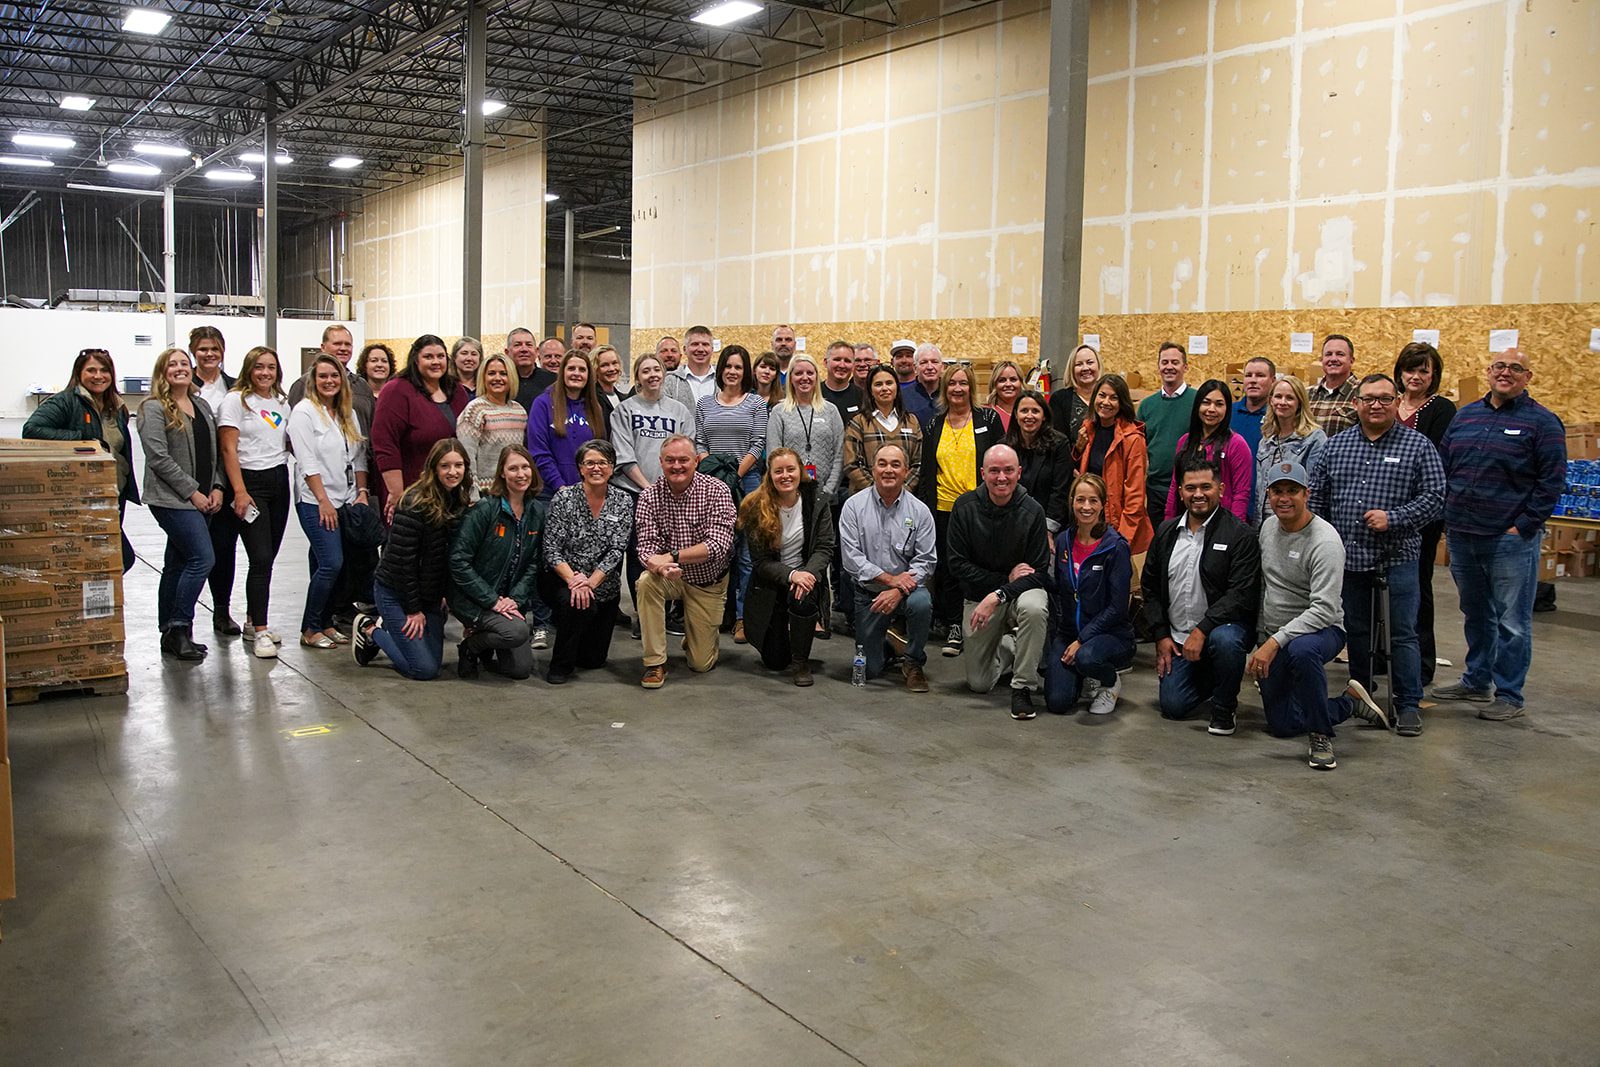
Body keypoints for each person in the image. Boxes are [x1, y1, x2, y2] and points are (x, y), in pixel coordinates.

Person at [1309, 373, 1445, 738]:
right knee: (1357, 630)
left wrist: (1395, 518)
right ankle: (1361, 695)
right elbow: (1317, 499)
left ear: (1395, 402)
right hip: (1349, 558)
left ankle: (1407, 703)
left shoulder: (1418, 446)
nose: (1376, 405)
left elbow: (1435, 497)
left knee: (1402, 634)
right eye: (1369, 398)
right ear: (1356, 404)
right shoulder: (1334, 448)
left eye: (1385, 399)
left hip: (1397, 556)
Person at [1434, 348, 1566, 721]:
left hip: (1509, 539)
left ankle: (1510, 694)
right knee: (1475, 613)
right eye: (1499, 366)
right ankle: (1477, 681)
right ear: (1489, 372)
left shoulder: (1542, 423)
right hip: (1462, 533)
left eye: (1515, 368)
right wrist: (1447, 515)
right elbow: (1444, 469)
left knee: (1512, 620)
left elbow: (1551, 482)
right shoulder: (1466, 416)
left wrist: (1522, 525)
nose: (1505, 372)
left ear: (1528, 376)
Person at [1250, 461, 1389, 771]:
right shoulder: (1268, 528)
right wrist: (1261, 637)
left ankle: (1320, 734)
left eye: (1293, 491)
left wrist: (1274, 642)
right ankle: (1349, 703)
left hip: (1322, 631)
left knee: (1303, 649)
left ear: (1307, 494)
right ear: (1268, 495)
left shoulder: (1325, 542)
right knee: (1283, 725)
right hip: (1275, 633)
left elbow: (1324, 609)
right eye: (1277, 491)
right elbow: (1263, 587)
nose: (1284, 498)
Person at [1143, 454, 1260, 733]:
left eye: (1206, 487)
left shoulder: (1240, 535)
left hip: (1222, 630)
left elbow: (1241, 593)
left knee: (1227, 641)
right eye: (1190, 488)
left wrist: (1203, 630)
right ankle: (1213, 674)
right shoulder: (1166, 532)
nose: (1198, 494)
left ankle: (1224, 706)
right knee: (1173, 706)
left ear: (1220, 489)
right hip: (1178, 636)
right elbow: (1149, 585)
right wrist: (1161, 634)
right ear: (1181, 491)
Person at [352, 439, 470, 680]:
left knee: (434, 662)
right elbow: (405, 563)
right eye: (445, 466)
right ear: (434, 468)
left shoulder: (459, 500)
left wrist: (442, 595)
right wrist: (414, 610)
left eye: (459, 465)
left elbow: (445, 556)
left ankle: (392, 631)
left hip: (429, 595)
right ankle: (370, 629)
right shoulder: (414, 502)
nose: (453, 472)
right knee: (423, 669)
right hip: (396, 591)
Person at [947, 444, 1051, 718]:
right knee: (979, 684)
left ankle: (1022, 687)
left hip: (1019, 594)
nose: (1001, 478)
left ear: (1019, 473)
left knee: (1034, 608)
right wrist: (1002, 580)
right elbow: (957, 564)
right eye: (994, 471)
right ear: (983, 473)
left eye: (1008, 471)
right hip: (980, 596)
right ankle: (1011, 645)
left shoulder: (1033, 511)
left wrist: (1000, 594)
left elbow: (1039, 572)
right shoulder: (964, 507)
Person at [139, 347, 224, 661]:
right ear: (162, 372)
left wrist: (217, 487)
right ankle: (180, 625)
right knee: (202, 558)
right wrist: (193, 492)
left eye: (184, 363)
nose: (179, 368)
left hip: (205, 498)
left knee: (177, 563)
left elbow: (214, 454)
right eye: (172, 364)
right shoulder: (153, 408)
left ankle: (171, 634)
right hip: (172, 500)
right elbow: (158, 458)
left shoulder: (201, 405)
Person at [23, 347, 140, 572]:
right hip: (84, 494)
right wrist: (82, 438)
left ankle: (98, 600)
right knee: (122, 557)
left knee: (106, 558)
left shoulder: (117, 407)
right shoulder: (66, 401)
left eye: (104, 370)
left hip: (115, 492)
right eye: (91, 370)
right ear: (79, 374)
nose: (98, 376)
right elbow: (32, 429)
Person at [634, 435, 736, 688]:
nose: (677, 466)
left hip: (707, 581)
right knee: (646, 582)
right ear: (661, 462)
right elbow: (646, 546)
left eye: (683, 460)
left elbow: (718, 544)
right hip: (668, 577)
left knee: (701, 664)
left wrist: (672, 556)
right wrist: (659, 565)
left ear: (696, 461)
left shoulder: (717, 490)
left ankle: (697, 637)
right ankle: (655, 663)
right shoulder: (648, 496)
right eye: (670, 460)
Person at [918, 362, 1002, 658]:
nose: (957, 388)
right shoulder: (934, 424)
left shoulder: (988, 419)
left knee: (981, 566)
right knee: (949, 569)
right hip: (943, 508)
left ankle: (984, 624)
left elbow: (999, 464)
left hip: (980, 508)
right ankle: (954, 625)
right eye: (951, 383)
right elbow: (929, 470)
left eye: (963, 383)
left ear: (971, 388)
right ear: (944, 388)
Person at [838, 444, 937, 692]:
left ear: (905, 471)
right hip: (867, 594)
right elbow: (851, 559)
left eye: (895, 465)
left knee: (921, 603)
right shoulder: (853, 507)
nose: (888, 470)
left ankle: (913, 662)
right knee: (869, 670)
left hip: (907, 591)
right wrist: (890, 580)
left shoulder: (920, 511)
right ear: (873, 469)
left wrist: (898, 590)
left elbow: (926, 561)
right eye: (882, 464)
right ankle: (890, 646)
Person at [214, 346, 292, 658]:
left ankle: (252, 621)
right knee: (259, 558)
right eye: (259, 367)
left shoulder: (281, 401)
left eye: (271, 367)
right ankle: (260, 630)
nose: (265, 373)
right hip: (250, 483)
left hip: (278, 481)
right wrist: (240, 491)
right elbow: (228, 450)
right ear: (249, 369)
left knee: (268, 558)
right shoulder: (235, 401)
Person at [287, 353, 369, 650]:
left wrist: (361, 491)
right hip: (315, 500)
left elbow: (359, 456)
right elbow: (307, 461)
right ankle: (310, 627)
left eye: (334, 376)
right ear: (313, 380)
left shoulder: (347, 412)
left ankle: (326, 622)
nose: (329, 381)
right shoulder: (304, 412)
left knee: (324, 561)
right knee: (332, 563)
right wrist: (323, 501)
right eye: (323, 376)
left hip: (346, 498)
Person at [611, 352, 695, 637]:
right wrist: (649, 489)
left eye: (656, 369)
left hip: (676, 494)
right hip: (635, 492)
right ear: (637, 378)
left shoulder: (679, 411)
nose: (652, 375)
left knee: (673, 550)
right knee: (640, 554)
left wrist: (669, 489)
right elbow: (623, 454)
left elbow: (687, 454)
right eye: (645, 371)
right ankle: (642, 614)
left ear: (664, 374)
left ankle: (670, 614)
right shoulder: (624, 410)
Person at [444, 445, 543, 681]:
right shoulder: (486, 509)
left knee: (520, 670)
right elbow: (458, 560)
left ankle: (481, 641)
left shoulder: (536, 511)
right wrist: (492, 601)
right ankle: (470, 647)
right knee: (517, 632)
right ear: (502, 473)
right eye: (513, 468)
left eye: (525, 467)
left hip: (508, 601)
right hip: (473, 599)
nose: (520, 474)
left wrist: (514, 600)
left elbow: (533, 564)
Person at [738, 448, 834, 686]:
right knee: (775, 661)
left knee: (802, 596)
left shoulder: (817, 500)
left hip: (805, 580)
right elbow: (760, 563)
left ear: (800, 471)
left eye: (790, 469)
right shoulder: (755, 506)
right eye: (778, 471)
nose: (785, 476)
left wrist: (807, 574)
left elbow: (824, 548)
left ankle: (801, 661)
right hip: (772, 583)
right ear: (769, 475)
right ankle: (790, 632)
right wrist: (792, 574)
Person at [1043, 473, 1137, 717]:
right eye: (1080, 500)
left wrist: (1082, 640)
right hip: (1069, 633)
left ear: (1103, 505)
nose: (1086, 507)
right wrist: (1032, 575)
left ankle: (1108, 680)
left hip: (1109, 635)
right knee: (1058, 702)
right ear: (1072, 502)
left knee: (1086, 658)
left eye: (1093, 501)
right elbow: (1063, 587)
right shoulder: (1064, 540)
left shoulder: (1115, 546)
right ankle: (1082, 677)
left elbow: (1117, 608)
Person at [694, 344, 769, 642]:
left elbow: (758, 442)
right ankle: (714, 614)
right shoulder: (704, 404)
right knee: (716, 550)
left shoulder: (755, 403)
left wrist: (733, 475)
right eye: (728, 366)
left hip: (747, 482)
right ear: (720, 369)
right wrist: (716, 475)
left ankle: (741, 617)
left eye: (739, 367)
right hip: (711, 483)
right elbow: (699, 443)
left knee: (746, 554)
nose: (733, 372)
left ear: (746, 371)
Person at [543, 440, 633, 684]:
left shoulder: (623, 501)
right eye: (590, 463)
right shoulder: (564, 499)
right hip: (565, 581)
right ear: (580, 468)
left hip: (603, 586)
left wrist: (590, 583)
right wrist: (575, 581)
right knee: (577, 604)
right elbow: (551, 549)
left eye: (603, 462)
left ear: (612, 468)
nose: (597, 468)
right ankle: (560, 665)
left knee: (593, 660)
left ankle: (582, 639)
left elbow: (617, 549)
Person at [1394, 342, 1456, 688]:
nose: (1415, 376)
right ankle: (1386, 656)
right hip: (1383, 510)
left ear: (1434, 376)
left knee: (1417, 587)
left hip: (1421, 516)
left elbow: (1436, 464)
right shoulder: (1390, 403)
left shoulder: (1441, 409)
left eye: (1423, 371)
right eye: (1410, 369)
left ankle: (1421, 663)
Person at [370, 333, 470, 521]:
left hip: (451, 491)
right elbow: (385, 444)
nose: (436, 362)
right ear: (415, 360)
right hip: (412, 492)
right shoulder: (397, 391)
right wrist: (397, 493)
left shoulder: (457, 391)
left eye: (440, 356)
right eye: (428, 357)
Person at [1076, 373, 1154, 584]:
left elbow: (1135, 498)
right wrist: (1078, 448)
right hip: (1089, 521)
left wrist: (1120, 541)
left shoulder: (1132, 439)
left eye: (1114, 398)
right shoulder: (1088, 429)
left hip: (1116, 527)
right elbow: (1080, 474)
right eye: (1102, 395)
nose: (1106, 402)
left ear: (1122, 402)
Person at [1165, 379, 1254, 522]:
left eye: (1219, 404)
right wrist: (1168, 523)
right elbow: (1175, 486)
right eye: (1206, 402)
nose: (1211, 409)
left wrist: (1235, 532)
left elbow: (1241, 493)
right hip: (1186, 521)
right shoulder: (1185, 442)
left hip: (1221, 523)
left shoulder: (1236, 444)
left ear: (1227, 409)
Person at [528, 348, 607, 497]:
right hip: (550, 492)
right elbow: (539, 452)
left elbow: (600, 452)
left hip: (587, 493)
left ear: (588, 375)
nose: (576, 373)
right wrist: (560, 486)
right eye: (571, 368)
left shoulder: (595, 408)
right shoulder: (542, 404)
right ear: (562, 372)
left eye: (582, 370)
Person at [1253, 375, 1327, 526]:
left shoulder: (1314, 438)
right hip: (1266, 523)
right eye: (1278, 396)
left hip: (1298, 524)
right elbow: (1260, 491)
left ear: (1300, 403)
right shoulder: (1266, 441)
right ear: (1271, 401)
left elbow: (1315, 490)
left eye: (1290, 398)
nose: (1282, 402)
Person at [1135, 341, 1193, 524]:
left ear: (1185, 367)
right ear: (1158, 366)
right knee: (1160, 541)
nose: (1169, 367)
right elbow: (1138, 448)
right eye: (1164, 362)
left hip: (1187, 487)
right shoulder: (1146, 406)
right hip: (1156, 489)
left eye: (1175, 362)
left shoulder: (1198, 401)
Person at [843, 364, 924, 493]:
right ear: (870, 390)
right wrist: (876, 492)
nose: (885, 388)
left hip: (904, 498)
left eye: (889, 383)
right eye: (878, 384)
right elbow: (851, 464)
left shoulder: (911, 421)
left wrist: (903, 490)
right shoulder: (858, 422)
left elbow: (919, 463)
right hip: (866, 499)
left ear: (897, 387)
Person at [457, 353, 528, 496]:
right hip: (485, 495)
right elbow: (466, 458)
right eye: (491, 373)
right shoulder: (475, 410)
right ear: (483, 377)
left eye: (503, 373)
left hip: (514, 493)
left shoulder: (519, 411)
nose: (497, 378)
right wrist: (472, 495)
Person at [1003, 389, 1073, 535]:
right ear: (1016, 415)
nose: (1029, 416)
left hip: (1048, 526)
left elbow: (1060, 491)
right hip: (1010, 523)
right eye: (1024, 411)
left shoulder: (1059, 444)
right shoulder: (1004, 447)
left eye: (1035, 411)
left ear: (1044, 416)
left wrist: (1048, 530)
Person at [287, 325, 375, 433]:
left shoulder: (362, 386)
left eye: (347, 344)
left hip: (358, 449)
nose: (343, 348)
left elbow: (373, 426)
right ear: (323, 347)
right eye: (337, 344)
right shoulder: (303, 385)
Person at [1232, 357, 1274, 520]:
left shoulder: (1277, 416)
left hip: (1264, 507)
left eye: (1260, 375)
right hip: (1232, 504)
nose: (1253, 381)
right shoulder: (1228, 412)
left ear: (1273, 380)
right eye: (1249, 375)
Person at [1048, 344, 1101, 460]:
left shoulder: (1108, 398)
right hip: (1072, 470)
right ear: (1072, 369)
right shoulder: (1059, 399)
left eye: (1090, 362)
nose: (1085, 368)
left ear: (1098, 366)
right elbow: (1056, 444)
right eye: (1079, 364)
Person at [1308, 334, 1359, 436]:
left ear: (1351, 360)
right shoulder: (1307, 394)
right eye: (1328, 354)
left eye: (1340, 354)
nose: (1333, 359)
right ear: (1321, 360)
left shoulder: (1362, 393)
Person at [665, 324, 717, 411]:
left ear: (712, 349)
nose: (700, 349)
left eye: (705, 344)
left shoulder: (723, 380)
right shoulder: (670, 381)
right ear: (685, 349)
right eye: (695, 344)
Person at [507, 327, 558, 410]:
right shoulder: (502, 382)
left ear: (537, 351)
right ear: (507, 352)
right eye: (517, 345)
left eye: (529, 345)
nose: (524, 349)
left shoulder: (554, 381)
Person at [820, 339, 863, 430]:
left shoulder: (862, 396)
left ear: (853, 365)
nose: (842, 365)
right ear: (825, 362)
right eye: (837, 359)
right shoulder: (815, 394)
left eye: (847, 361)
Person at [188, 325, 233, 411]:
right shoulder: (183, 386)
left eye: (215, 349)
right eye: (203, 349)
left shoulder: (235, 386)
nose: (209, 354)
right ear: (193, 351)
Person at [985, 359, 1024, 433]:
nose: (1008, 384)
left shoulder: (1029, 413)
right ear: (994, 385)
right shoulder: (986, 415)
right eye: (1002, 380)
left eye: (1013, 379)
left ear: (1021, 383)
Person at [594, 345, 631, 418]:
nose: (611, 369)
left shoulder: (625, 399)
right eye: (604, 365)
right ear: (595, 369)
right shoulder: (591, 397)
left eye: (614, 363)